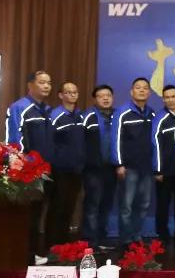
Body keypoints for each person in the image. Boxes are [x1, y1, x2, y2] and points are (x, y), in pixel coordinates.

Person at [6, 71, 53, 263]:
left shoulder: (48, 110)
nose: (46, 86)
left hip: (45, 169)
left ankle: (33, 254)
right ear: (30, 85)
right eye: (42, 82)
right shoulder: (19, 107)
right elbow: (13, 139)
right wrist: (20, 163)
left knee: (38, 213)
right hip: (27, 170)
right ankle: (23, 256)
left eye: (49, 82)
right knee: (27, 214)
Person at [111, 77, 156, 246]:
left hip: (147, 167)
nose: (142, 90)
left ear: (149, 92)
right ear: (131, 92)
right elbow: (116, 139)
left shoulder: (152, 113)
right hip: (128, 167)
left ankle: (137, 236)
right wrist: (119, 164)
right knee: (126, 206)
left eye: (145, 88)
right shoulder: (122, 112)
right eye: (138, 87)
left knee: (143, 204)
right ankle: (126, 239)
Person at [47, 82, 86, 247]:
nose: (72, 95)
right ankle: (52, 242)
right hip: (59, 169)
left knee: (70, 204)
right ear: (60, 95)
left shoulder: (80, 115)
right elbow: (49, 142)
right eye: (68, 92)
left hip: (77, 169)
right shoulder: (55, 115)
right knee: (58, 205)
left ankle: (64, 242)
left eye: (75, 92)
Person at [81, 85, 117, 249]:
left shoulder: (117, 115)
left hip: (112, 167)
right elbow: (80, 141)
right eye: (101, 96)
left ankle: (102, 237)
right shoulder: (88, 116)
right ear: (95, 99)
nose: (105, 98)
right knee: (92, 204)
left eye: (108, 95)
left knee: (106, 204)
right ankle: (90, 240)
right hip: (93, 168)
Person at [151, 85, 175, 241]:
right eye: (167, 97)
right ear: (163, 100)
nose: (171, 100)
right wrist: (158, 170)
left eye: (173, 96)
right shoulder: (160, 119)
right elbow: (155, 145)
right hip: (165, 171)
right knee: (163, 204)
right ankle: (162, 235)